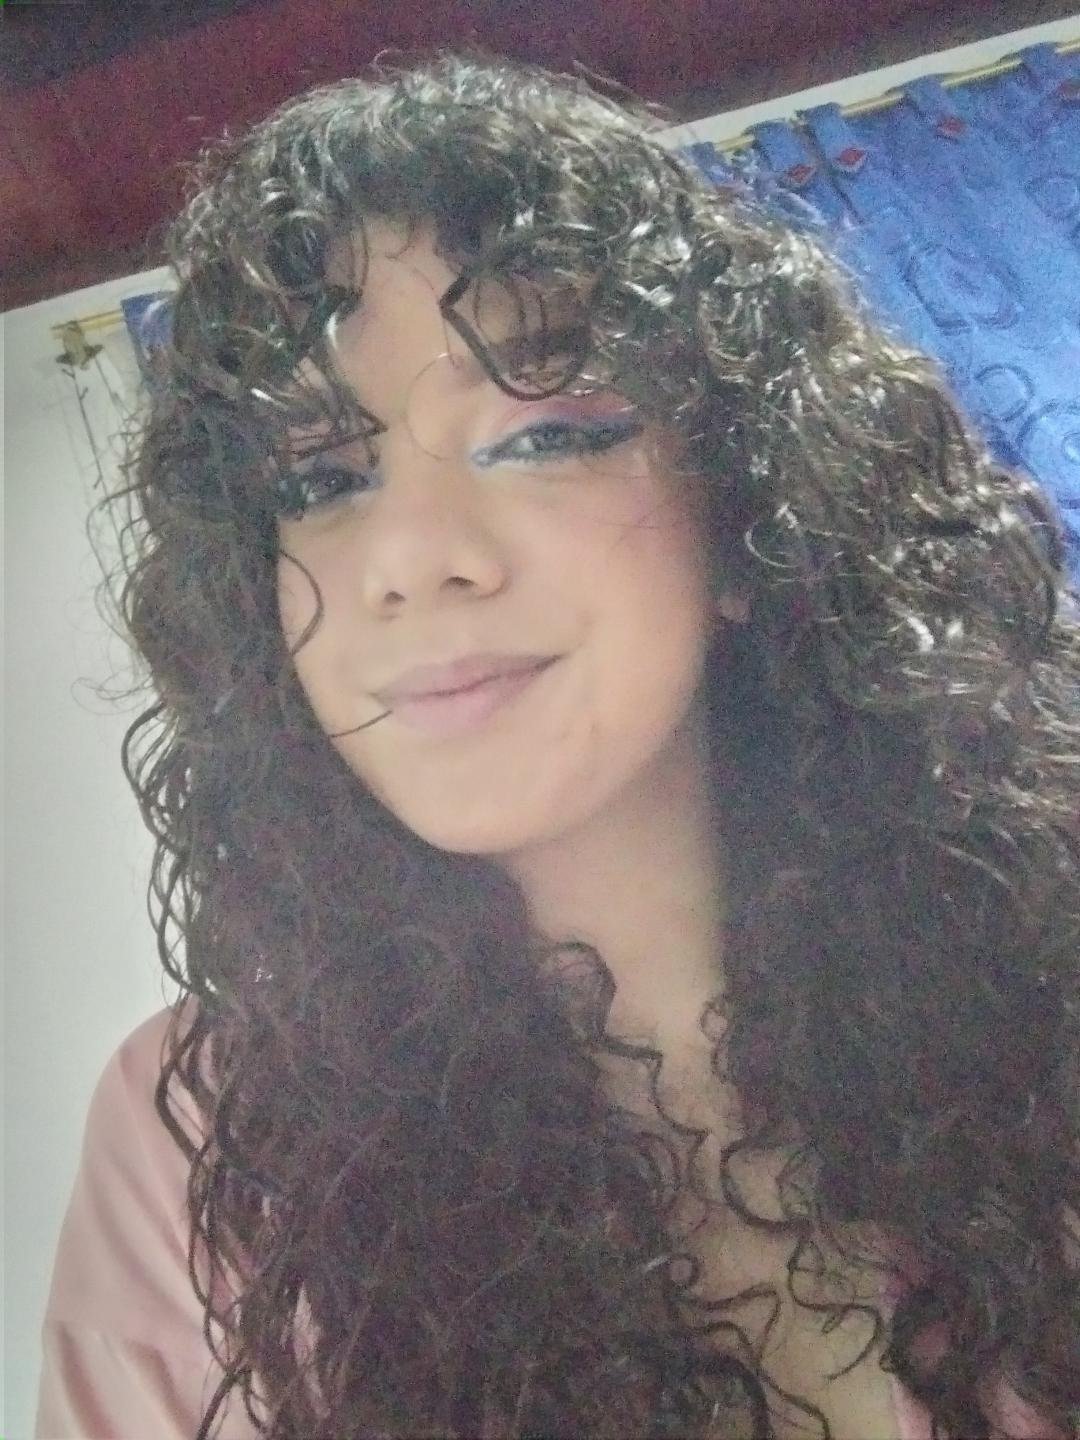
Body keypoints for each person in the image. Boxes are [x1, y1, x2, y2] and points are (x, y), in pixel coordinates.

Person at [35, 45, 1080, 1440]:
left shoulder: (1043, 949)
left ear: (744, 511)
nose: (408, 558)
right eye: (323, 478)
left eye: (539, 438)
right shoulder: (205, 1136)